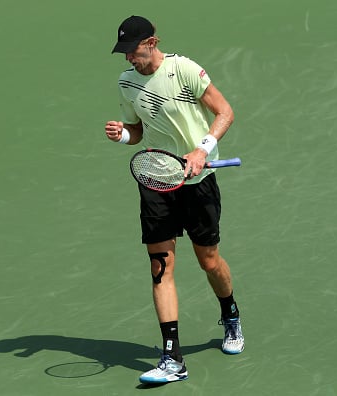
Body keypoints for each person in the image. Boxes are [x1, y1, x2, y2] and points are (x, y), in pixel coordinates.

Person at [104, 15, 244, 384]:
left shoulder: (183, 69)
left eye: (133, 51)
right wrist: (122, 135)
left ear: (152, 42)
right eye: (125, 53)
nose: (129, 59)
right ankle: (172, 358)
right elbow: (137, 131)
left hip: (198, 179)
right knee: (160, 267)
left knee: (209, 261)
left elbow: (224, 112)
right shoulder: (126, 82)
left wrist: (201, 150)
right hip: (156, 177)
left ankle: (230, 314)